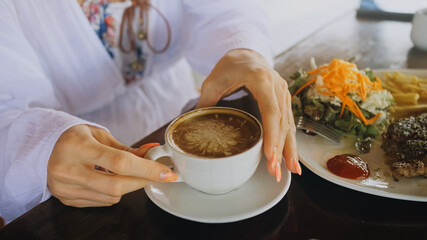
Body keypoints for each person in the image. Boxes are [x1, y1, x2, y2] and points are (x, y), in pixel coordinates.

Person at [0, 0, 301, 224]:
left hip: (181, 113)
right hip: (80, 174)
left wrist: (244, 50)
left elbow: (227, 10)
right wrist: (40, 150)